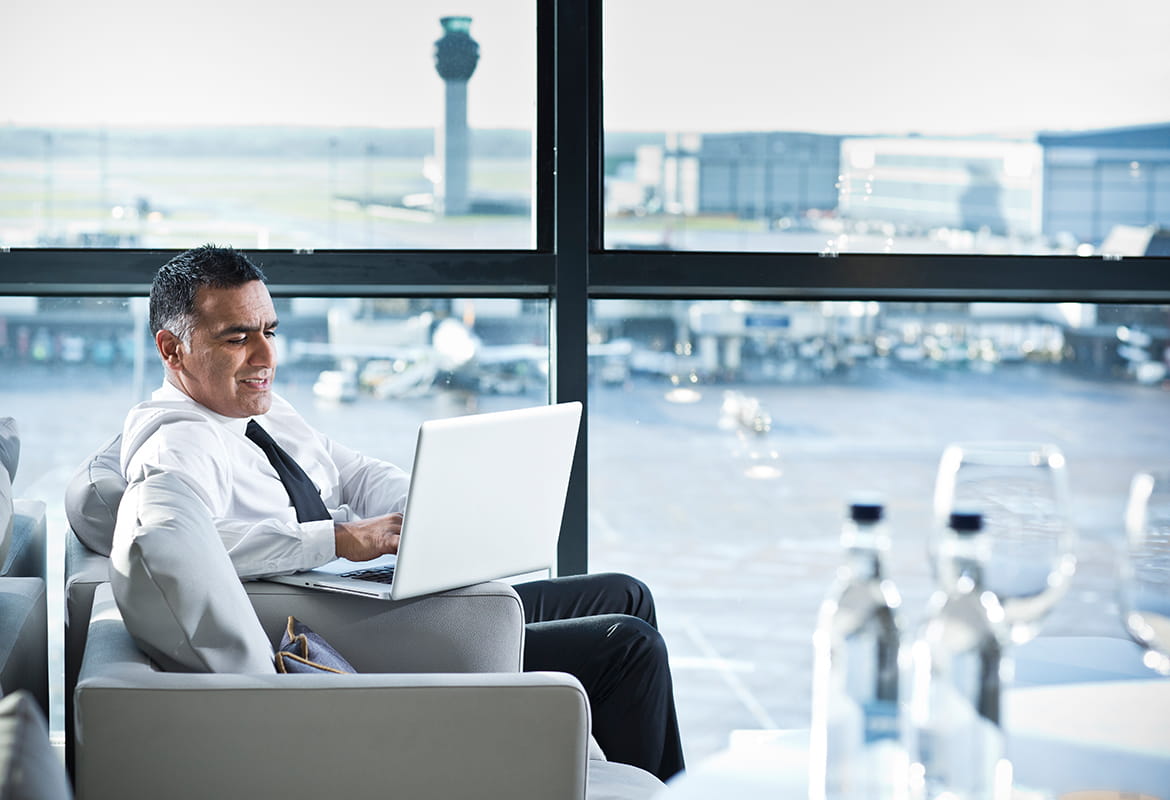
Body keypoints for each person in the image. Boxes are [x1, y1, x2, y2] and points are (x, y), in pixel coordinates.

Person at [119, 244, 685, 781]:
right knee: (627, 646)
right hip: (358, 626)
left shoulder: (254, 408)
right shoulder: (179, 447)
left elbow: (351, 471)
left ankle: (610, 778)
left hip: (374, 588)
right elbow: (194, 547)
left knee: (626, 594)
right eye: (238, 338)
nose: (267, 357)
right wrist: (336, 539)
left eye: (269, 331)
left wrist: (435, 503)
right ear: (172, 349)